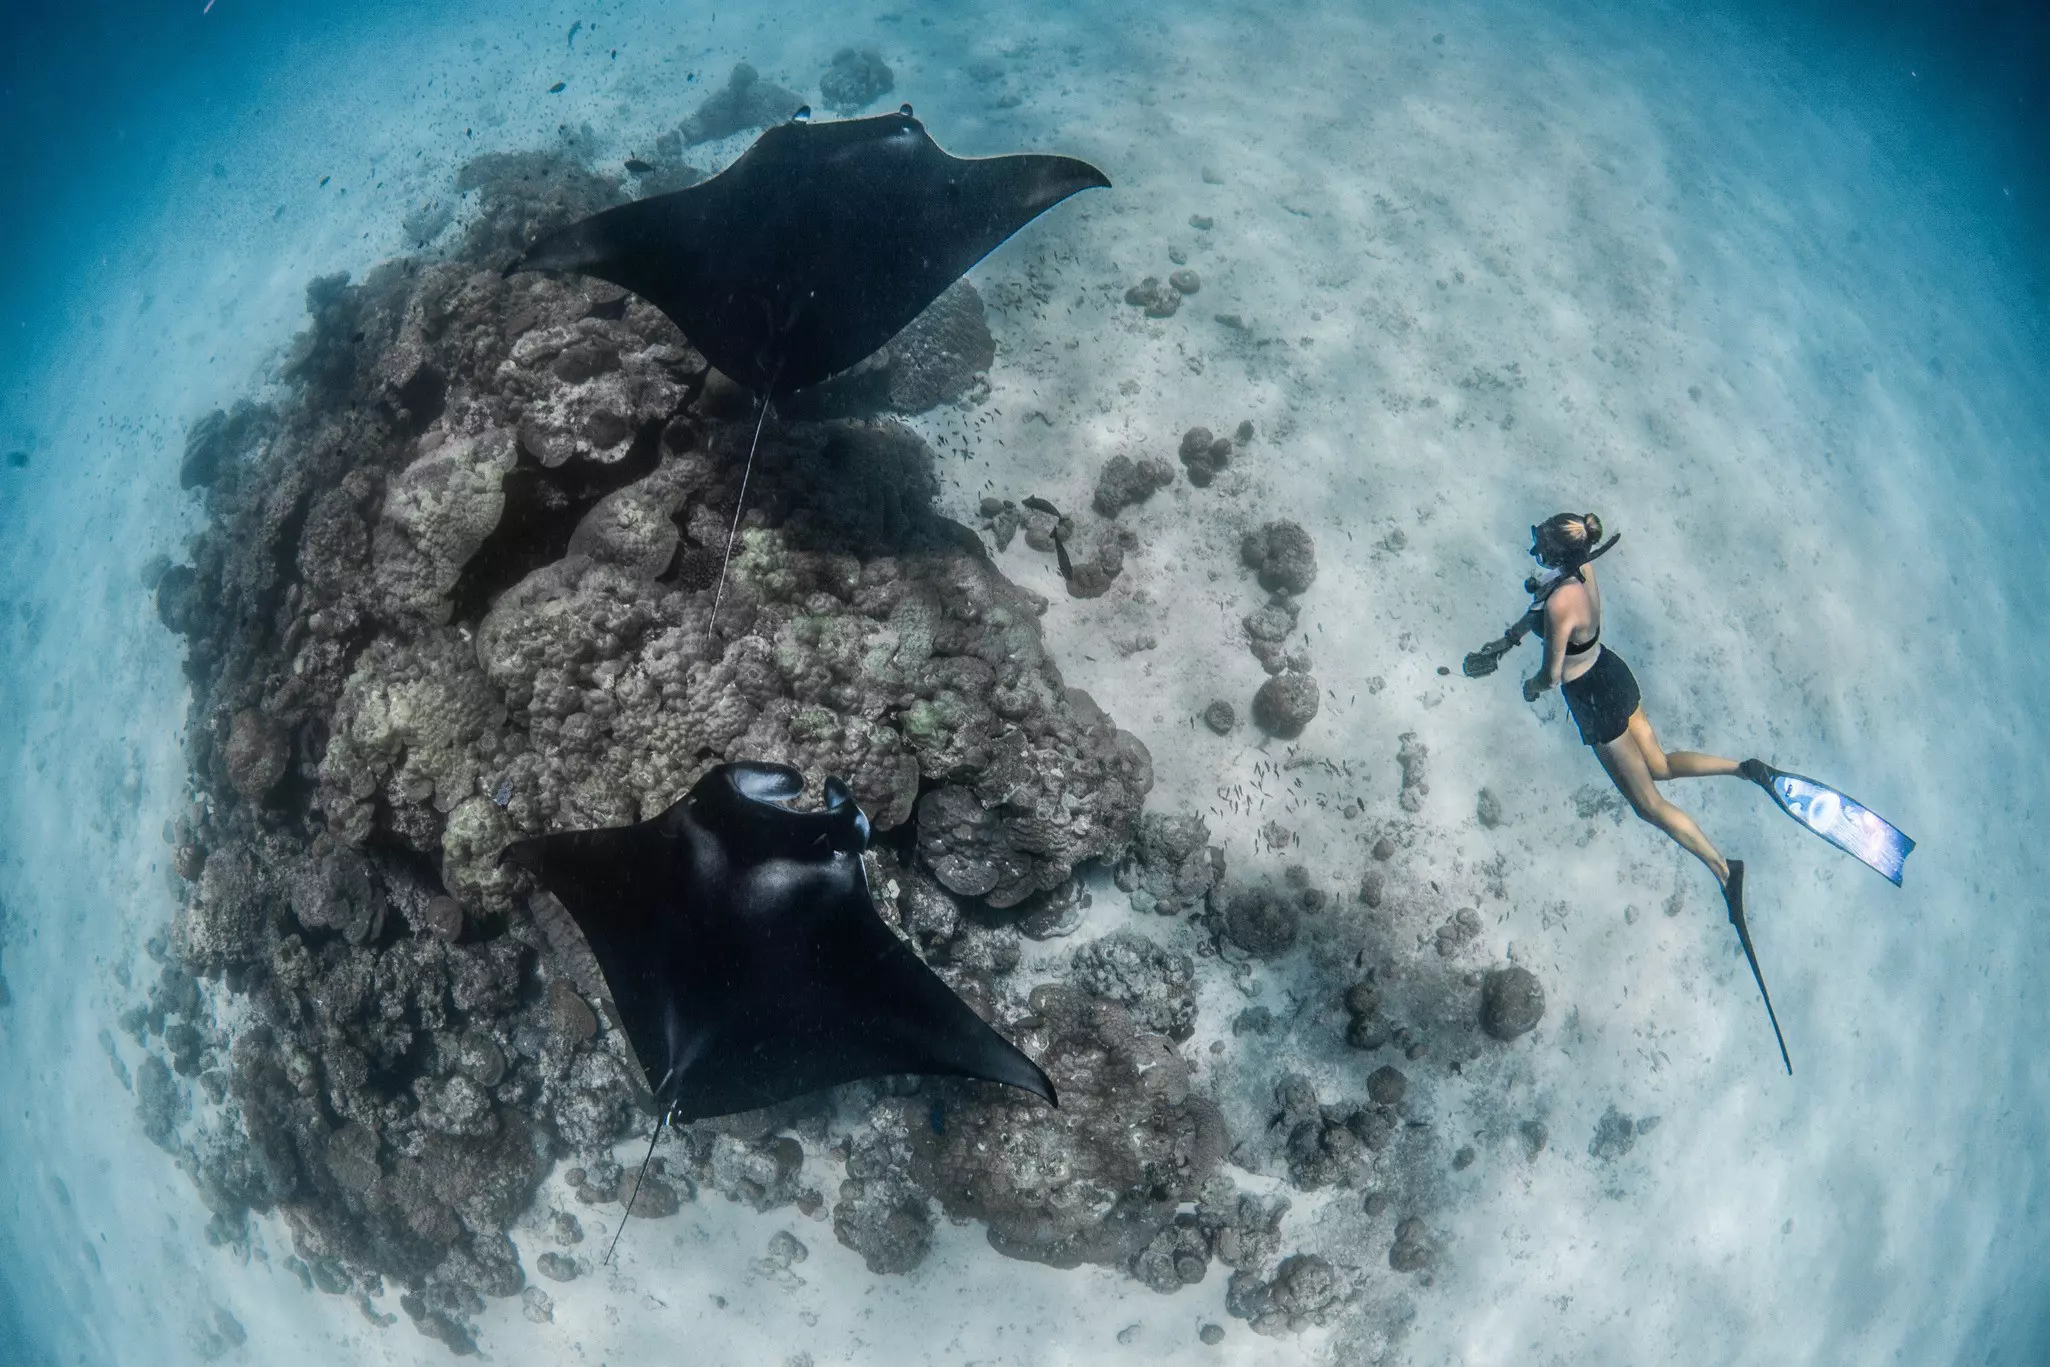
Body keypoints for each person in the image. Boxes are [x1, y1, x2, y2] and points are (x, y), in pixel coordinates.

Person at [1519, 512, 1749, 899]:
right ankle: (1744, 769)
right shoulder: (1584, 567)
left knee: (1649, 806)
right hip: (1612, 672)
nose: (1535, 551)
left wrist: (1530, 688)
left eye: (1542, 547)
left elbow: (1552, 675)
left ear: (1559, 555)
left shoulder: (1561, 603)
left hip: (1592, 701)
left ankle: (1726, 872)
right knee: (1658, 765)